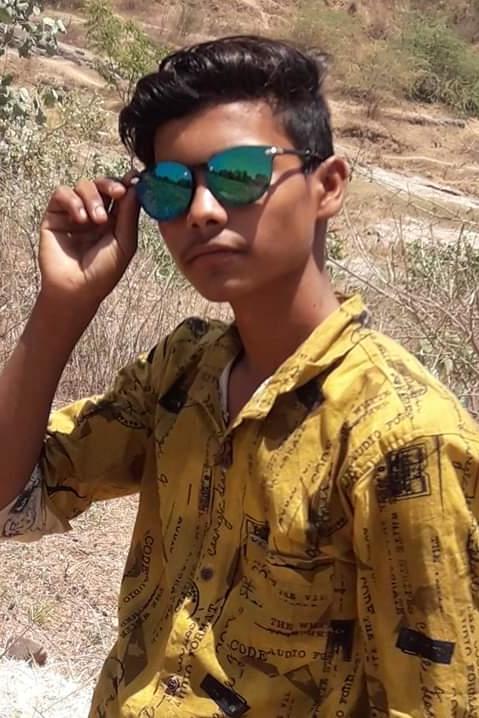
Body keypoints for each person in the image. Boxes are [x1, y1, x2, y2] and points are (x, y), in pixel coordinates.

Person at [1, 35, 478, 718]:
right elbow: (12, 498)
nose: (201, 210)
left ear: (327, 186)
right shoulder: (184, 371)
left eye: (239, 174)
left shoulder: (403, 438)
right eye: (170, 188)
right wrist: (63, 305)